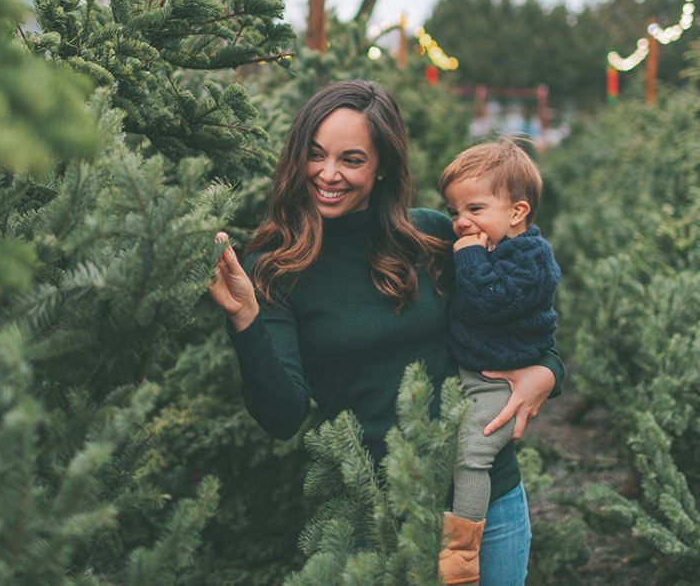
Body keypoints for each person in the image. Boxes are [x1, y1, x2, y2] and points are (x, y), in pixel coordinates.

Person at [208, 80, 564, 586]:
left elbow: (522, 310)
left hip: (487, 507)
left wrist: (548, 372)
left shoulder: (435, 237)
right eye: (315, 155)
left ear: (382, 170)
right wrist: (245, 318)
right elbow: (283, 415)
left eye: (351, 159)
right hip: (372, 519)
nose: (328, 174)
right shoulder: (275, 269)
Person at [436, 139, 561, 585]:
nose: (461, 223)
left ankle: (462, 554)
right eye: (453, 212)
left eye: (473, 208)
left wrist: (467, 252)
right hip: (473, 373)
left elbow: (488, 300)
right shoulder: (493, 244)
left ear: (517, 212)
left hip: (501, 385)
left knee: (473, 452)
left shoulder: (531, 258)